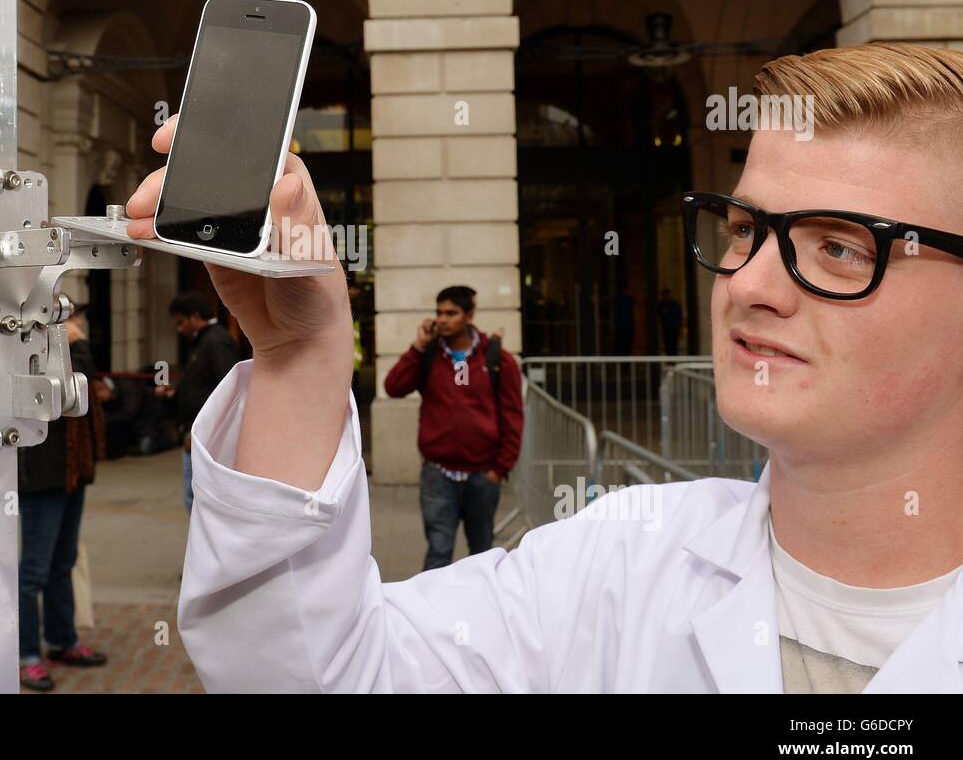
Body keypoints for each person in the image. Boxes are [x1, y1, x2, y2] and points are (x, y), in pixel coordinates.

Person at [127, 42, 963, 692]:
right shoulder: (619, 558)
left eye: (841, 247)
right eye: (744, 228)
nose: (751, 284)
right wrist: (295, 352)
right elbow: (318, 674)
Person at [383, 286, 523, 570]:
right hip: (439, 475)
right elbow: (393, 387)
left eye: (451, 313)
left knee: (482, 554)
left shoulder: (497, 359)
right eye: (439, 313)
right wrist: (418, 347)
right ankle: (431, 612)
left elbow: (512, 416)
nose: (443, 319)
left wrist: (500, 469)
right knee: (439, 550)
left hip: (483, 476)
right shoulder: (429, 354)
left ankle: (481, 611)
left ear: (469, 315)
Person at [17, 317, 108, 692]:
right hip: (43, 476)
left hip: (72, 471)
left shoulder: (62, 345)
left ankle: (61, 641)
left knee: (63, 562)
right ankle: (26, 656)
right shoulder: (29, 345)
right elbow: (71, 388)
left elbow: (88, 393)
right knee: (34, 571)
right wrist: (78, 343)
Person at [155, 292, 237, 513]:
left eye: (181, 322)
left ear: (195, 316)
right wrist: (176, 393)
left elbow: (225, 390)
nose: (179, 329)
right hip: (197, 433)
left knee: (198, 501)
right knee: (194, 499)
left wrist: (199, 433)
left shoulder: (216, 341)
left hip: (202, 437)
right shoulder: (205, 341)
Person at [657, 287, 683, 355]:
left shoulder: (675, 305)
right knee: (667, 345)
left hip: (674, 328)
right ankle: (669, 361)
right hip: (666, 329)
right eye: (664, 295)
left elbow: (679, 317)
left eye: (667, 294)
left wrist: (679, 328)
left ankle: (673, 361)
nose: (666, 296)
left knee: (674, 345)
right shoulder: (661, 305)